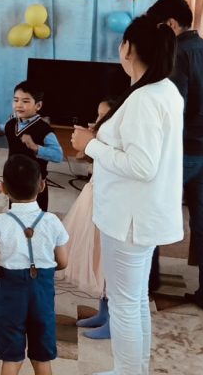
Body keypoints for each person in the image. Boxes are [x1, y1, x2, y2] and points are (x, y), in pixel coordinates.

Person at [70, 14, 183, 375]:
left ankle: (128, 371)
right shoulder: (162, 90)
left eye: (122, 42)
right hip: (139, 213)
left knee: (124, 303)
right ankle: (135, 369)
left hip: (129, 218)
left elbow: (142, 165)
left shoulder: (145, 98)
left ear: (128, 49)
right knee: (133, 300)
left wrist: (90, 145)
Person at [146, 0, 203, 312]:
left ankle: (148, 284)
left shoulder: (177, 54)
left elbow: (172, 110)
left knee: (151, 215)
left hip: (182, 153)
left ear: (170, 24)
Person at [0, 155, 69, 375]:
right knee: (42, 358)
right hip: (42, 294)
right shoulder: (53, 221)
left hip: (10, 293)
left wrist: (0, 268)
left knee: (11, 357)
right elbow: (63, 262)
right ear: (42, 186)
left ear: (2, 188)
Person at [63, 99, 114, 340]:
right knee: (95, 258)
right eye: (98, 115)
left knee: (106, 261)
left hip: (108, 205)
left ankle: (113, 321)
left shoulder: (114, 142)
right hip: (92, 201)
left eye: (104, 116)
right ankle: (103, 312)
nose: (98, 121)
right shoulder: (98, 139)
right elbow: (85, 158)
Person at [0, 81, 64, 212]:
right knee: (15, 212)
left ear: (38, 105)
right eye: (16, 100)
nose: (19, 105)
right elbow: (2, 129)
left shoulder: (44, 130)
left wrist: (36, 147)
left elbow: (58, 155)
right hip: (14, 179)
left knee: (37, 215)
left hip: (35, 183)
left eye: (25, 101)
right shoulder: (11, 123)